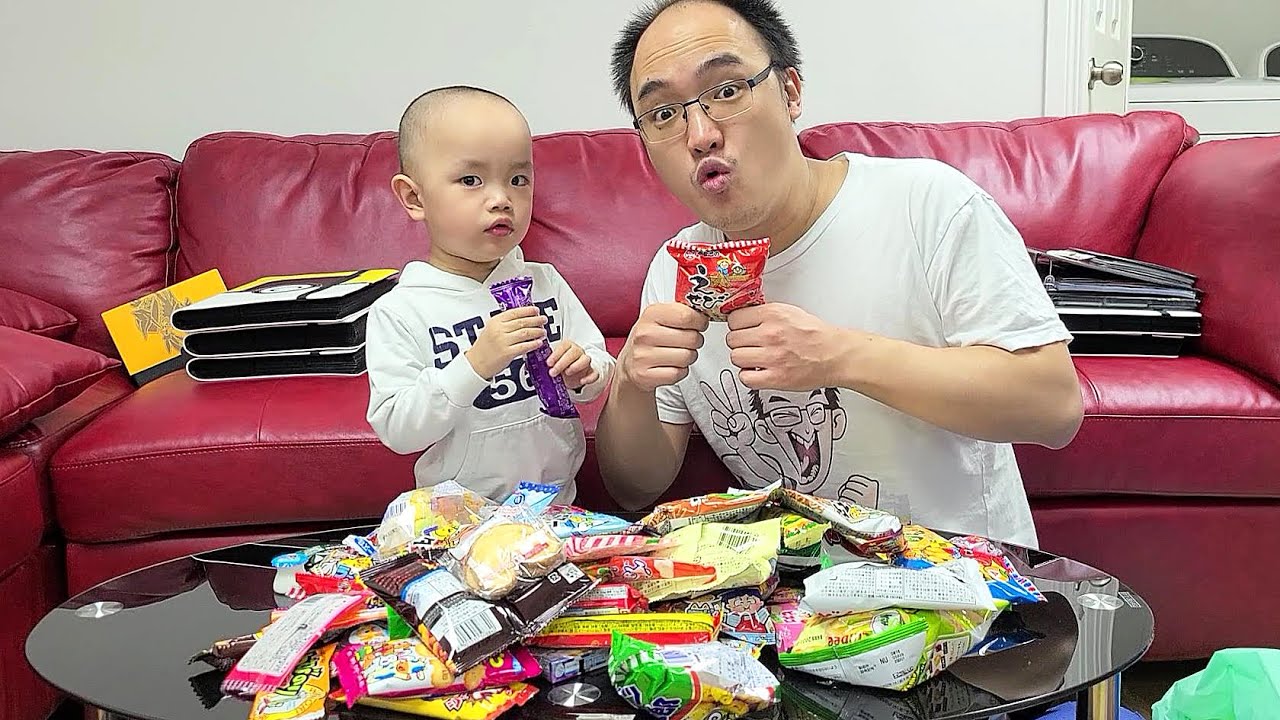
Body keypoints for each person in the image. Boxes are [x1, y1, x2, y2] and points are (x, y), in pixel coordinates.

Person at [596, 0, 1083, 547]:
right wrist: (631, 384)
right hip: (794, 607)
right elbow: (635, 489)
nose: (700, 133)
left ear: (791, 91)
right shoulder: (674, 269)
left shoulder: (927, 204)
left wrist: (840, 357)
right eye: (664, 113)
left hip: (970, 585)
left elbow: (1054, 408)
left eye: (727, 91)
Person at [366, 86, 615, 504]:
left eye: (518, 179)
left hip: (557, 503)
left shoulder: (545, 282)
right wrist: (476, 363)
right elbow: (398, 428)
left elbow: (600, 363)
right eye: (470, 180)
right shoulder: (402, 309)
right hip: (457, 515)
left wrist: (586, 371)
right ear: (414, 197)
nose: (501, 199)